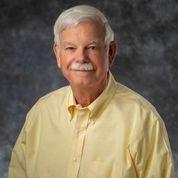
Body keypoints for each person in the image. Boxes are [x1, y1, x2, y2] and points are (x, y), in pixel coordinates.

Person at [9, 4, 175, 178]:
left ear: (110, 52)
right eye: (70, 48)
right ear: (58, 54)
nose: (81, 58)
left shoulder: (144, 120)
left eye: (92, 47)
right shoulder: (40, 113)